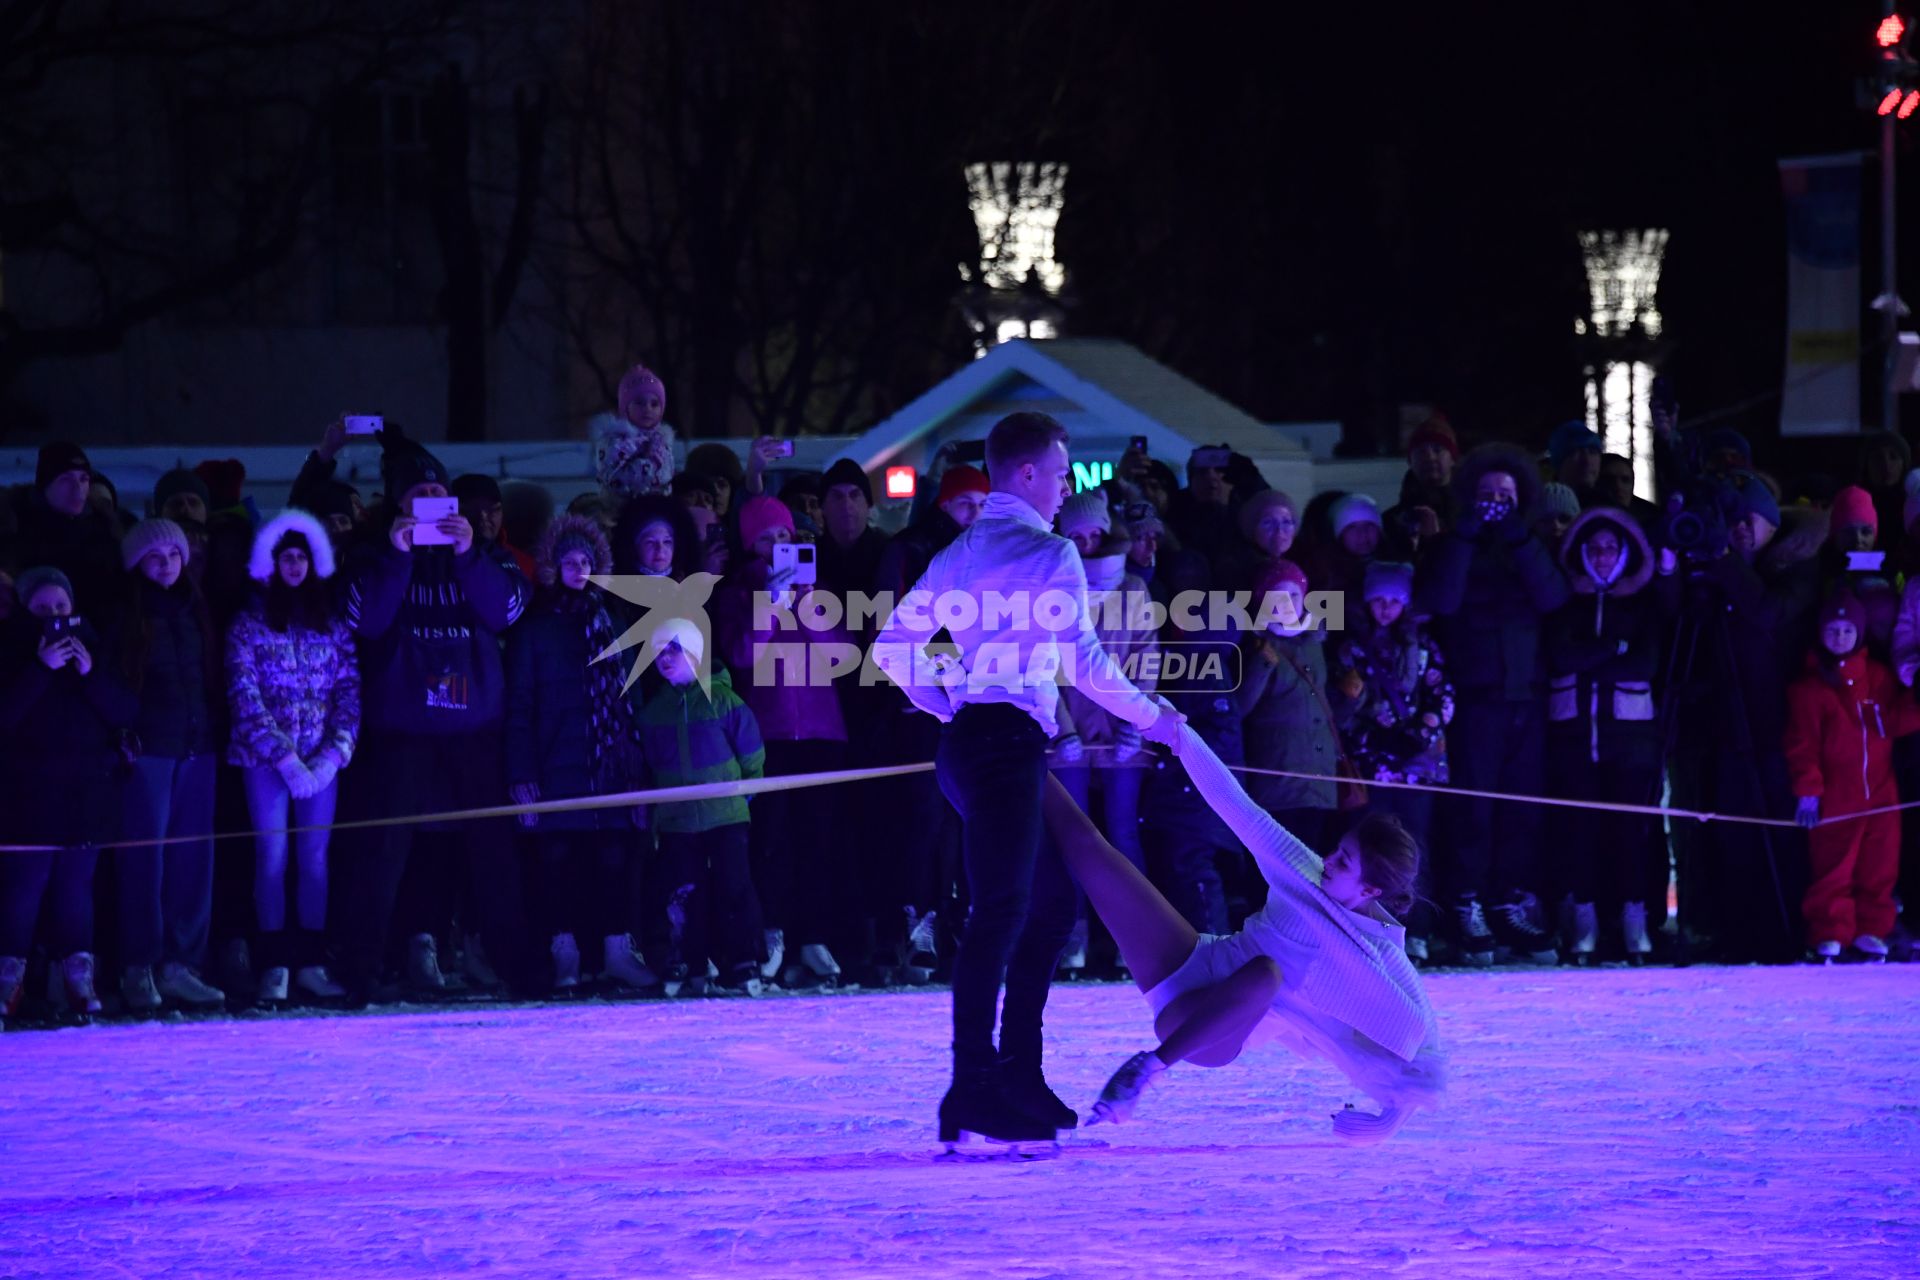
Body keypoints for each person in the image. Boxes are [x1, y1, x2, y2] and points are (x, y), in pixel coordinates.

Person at [872, 410, 1180, 1148]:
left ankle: (1013, 1074)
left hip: (978, 745)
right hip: (1004, 746)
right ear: (1029, 473)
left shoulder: (965, 548)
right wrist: (1156, 717)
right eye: (1063, 473)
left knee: (1043, 904)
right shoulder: (1049, 554)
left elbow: (893, 648)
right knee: (1006, 911)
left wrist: (949, 698)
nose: (1067, 487)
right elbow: (1084, 665)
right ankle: (974, 1085)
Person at [1050, 723, 1444, 1143]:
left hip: (1209, 1033)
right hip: (1194, 964)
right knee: (1090, 846)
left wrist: (1383, 1123)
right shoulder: (1303, 873)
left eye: (1344, 862)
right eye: (1338, 849)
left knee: (1266, 974)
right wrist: (1179, 734)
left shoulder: (1374, 954)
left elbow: (1422, 1046)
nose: (1329, 859)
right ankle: (1014, 752)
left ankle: (1143, 1072)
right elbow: (1238, 808)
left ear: (1370, 890)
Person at [335, 429, 534, 1001]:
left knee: (494, 855)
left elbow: (506, 613)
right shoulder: (373, 554)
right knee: (381, 854)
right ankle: (361, 969)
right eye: (417, 496)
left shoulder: (483, 552)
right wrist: (397, 558)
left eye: (436, 493)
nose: (429, 505)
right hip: (403, 730)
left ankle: (516, 965)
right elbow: (365, 621)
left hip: (474, 727)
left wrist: (469, 552)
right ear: (399, 504)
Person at [1415, 443, 1570, 966]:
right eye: (1487, 495)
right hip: (1476, 700)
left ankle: (1508, 900)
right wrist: (1465, 534)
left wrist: (1518, 537)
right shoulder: (1453, 544)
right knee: (1473, 810)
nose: (1496, 503)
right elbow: (1441, 600)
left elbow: (1553, 598)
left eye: (1505, 495)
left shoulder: (1530, 544)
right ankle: (1466, 903)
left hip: (1526, 698)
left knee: (1521, 809)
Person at [504, 514, 659, 994]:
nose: (578, 568)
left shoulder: (613, 621)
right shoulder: (534, 630)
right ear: (552, 565)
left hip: (611, 770)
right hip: (555, 770)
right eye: (569, 560)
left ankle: (616, 952)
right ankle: (564, 954)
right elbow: (519, 707)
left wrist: (637, 775)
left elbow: (632, 701)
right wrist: (522, 773)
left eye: (586, 560)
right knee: (559, 865)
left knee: (615, 862)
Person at [713, 495, 854, 987]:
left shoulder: (815, 589)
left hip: (821, 731)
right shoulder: (736, 592)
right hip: (767, 734)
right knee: (771, 842)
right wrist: (770, 607)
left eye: (785, 536)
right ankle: (771, 934)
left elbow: (844, 655)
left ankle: (813, 937)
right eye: (768, 537)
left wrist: (810, 604)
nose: (779, 545)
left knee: (818, 841)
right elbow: (741, 654)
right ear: (751, 544)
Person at [225, 510, 359, 1003]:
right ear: (272, 563)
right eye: (287, 557)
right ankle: (275, 963)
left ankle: (309, 960)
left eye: (302, 557)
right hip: (266, 765)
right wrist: (284, 758)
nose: (295, 565)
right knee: (272, 857)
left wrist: (331, 756)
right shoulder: (248, 625)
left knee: (315, 860)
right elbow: (244, 696)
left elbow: (349, 691)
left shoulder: (332, 625)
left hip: (321, 764)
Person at [1543, 507, 1677, 965]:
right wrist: (1611, 648)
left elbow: (1646, 664)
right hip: (1574, 735)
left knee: (1631, 833)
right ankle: (1583, 923)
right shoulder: (1565, 602)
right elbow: (1559, 656)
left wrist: (1593, 656)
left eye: (1611, 547)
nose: (1602, 556)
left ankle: (1634, 922)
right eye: (1594, 547)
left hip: (1631, 741)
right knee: (1578, 832)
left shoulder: (1644, 604)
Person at [0, 568, 135, 1017]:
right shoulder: (9, 649)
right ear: (25, 609)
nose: (54, 616)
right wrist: (40, 669)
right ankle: (9, 980)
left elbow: (124, 711)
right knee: (23, 888)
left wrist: (89, 673)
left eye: (61, 606)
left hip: (87, 793)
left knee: (75, 888)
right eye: (42, 608)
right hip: (29, 794)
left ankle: (78, 979)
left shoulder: (94, 647)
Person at [114, 517, 227, 1011]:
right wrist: (122, 734)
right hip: (149, 750)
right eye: (155, 557)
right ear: (137, 563)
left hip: (198, 745)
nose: (166, 565)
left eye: (174, 555)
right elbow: (114, 681)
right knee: (144, 859)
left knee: (192, 858)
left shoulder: (197, 608)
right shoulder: (125, 614)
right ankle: (139, 963)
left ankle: (183, 963)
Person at [1051, 493, 1159, 977]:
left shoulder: (1132, 589)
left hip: (1121, 740)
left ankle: (1132, 936)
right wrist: (1063, 730)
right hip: (1067, 737)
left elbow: (1145, 657)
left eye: (1095, 534)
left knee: (1121, 834)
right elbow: (1043, 664)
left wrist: (1135, 723)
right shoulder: (1052, 589)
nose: (1088, 543)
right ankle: (1072, 934)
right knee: (1073, 839)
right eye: (1077, 536)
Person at [631, 617, 767, 995]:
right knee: (685, 891)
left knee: (734, 887)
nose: (665, 657)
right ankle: (692, 961)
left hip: (725, 818)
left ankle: (742, 960)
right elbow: (648, 766)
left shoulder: (724, 701)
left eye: (674, 648)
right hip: (678, 822)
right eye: (659, 650)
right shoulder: (653, 713)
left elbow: (752, 754)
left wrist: (746, 791)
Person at [1785, 591, 1920, 964]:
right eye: (1833, 630)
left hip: (1880, 792)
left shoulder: (1876, 677)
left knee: (1879, 866)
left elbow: (1891, 722)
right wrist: (1808, 792)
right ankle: (1830, 930)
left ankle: (1871, 929)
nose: (1840, 638)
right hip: (1838, 795)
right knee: (1834, 867)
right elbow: (1803, 745)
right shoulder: (1809, 688)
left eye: (1847, 630)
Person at [1329, 561, 1453, 964]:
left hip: (1417, 766)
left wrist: (1420, 733)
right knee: (1373, 852)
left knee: (1417, 848)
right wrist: (1372, 738)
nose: (1385, 608)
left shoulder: (1424, 646)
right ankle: (1370, 927)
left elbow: (1443, 696)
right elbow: (1345, 706)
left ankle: (1417, 929)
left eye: (1393, 601)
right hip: (1372, 766)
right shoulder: (1351, 648)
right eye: (1378, 600)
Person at [1237, 559, 1342, 853]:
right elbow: (1240, 708)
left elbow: (1325, 711)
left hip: (1320, 782)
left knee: (1315, 862)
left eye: (1293, 595)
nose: (1285, 604)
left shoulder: (1316, 642)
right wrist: (1260, 666)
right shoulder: (1254, 643)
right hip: (1278, 780)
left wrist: (1350, 698)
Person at [0, 442, 126, 627]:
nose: (78, 489)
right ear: (45, 485)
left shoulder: (105, 527)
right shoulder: (14, 528)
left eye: (84, 479)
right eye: (66, 480)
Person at [1383, 415, 1459, 558]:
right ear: (1410, 460)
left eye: (1438, 450)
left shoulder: (1471, 515)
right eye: (1421, 451)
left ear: (1453, 458)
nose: (1430, 457)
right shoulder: (1393, 520)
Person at [1547, 420, 1604, 508]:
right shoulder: (1542, 506)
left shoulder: (1613, 511)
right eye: (1576, 452)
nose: (1587, 461)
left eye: (1593, 452)